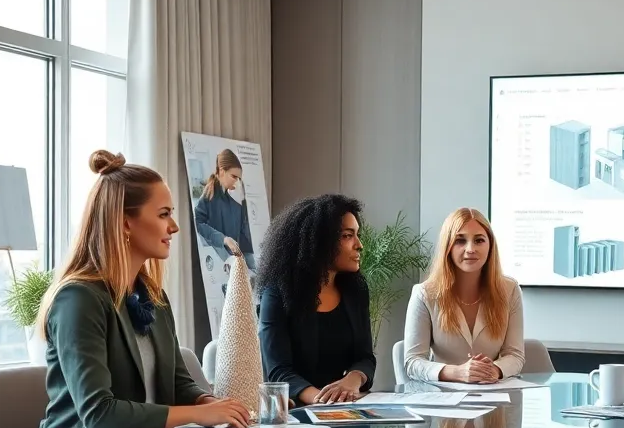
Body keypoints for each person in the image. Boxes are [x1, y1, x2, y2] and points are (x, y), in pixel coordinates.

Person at [29, 150, 251, 428]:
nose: (174, 226)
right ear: (124, 222)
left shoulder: (152, 296)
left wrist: (209, 404)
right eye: (163, 214)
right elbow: (99, 415)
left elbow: (177, 383)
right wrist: (198, 416)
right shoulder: (78, 299)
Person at [257, 194, 375, 406]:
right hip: (295, 412)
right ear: (320, 241)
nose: (359, 245)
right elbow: (278, 371)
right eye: (348, 236)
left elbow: (365, 357)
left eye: (357, 235)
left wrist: (352, 380)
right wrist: (324, 401)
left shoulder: (356, 290)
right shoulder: (276, 293)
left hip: (343, 407)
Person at [404, 207, 525, 385]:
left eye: (479, 240)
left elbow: (515, 355)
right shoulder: (424, 294)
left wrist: (495, 370)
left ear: (490, 246)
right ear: (448, 247)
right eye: (460, 241)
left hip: (493, 396)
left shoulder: (510, 289)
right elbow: (412, 362)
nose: (470, 249)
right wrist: (456, 372)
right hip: (442, 400)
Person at [194, 148, 256, 268]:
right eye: (234, 177)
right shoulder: (207, 197)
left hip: (236, 262)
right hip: (219, 263)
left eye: (239, 179)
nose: (237, 182)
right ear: (222, 171)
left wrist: (243, 203)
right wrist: (224, 239)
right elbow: (199, 224)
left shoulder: (234, 201)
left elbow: (243, 233)